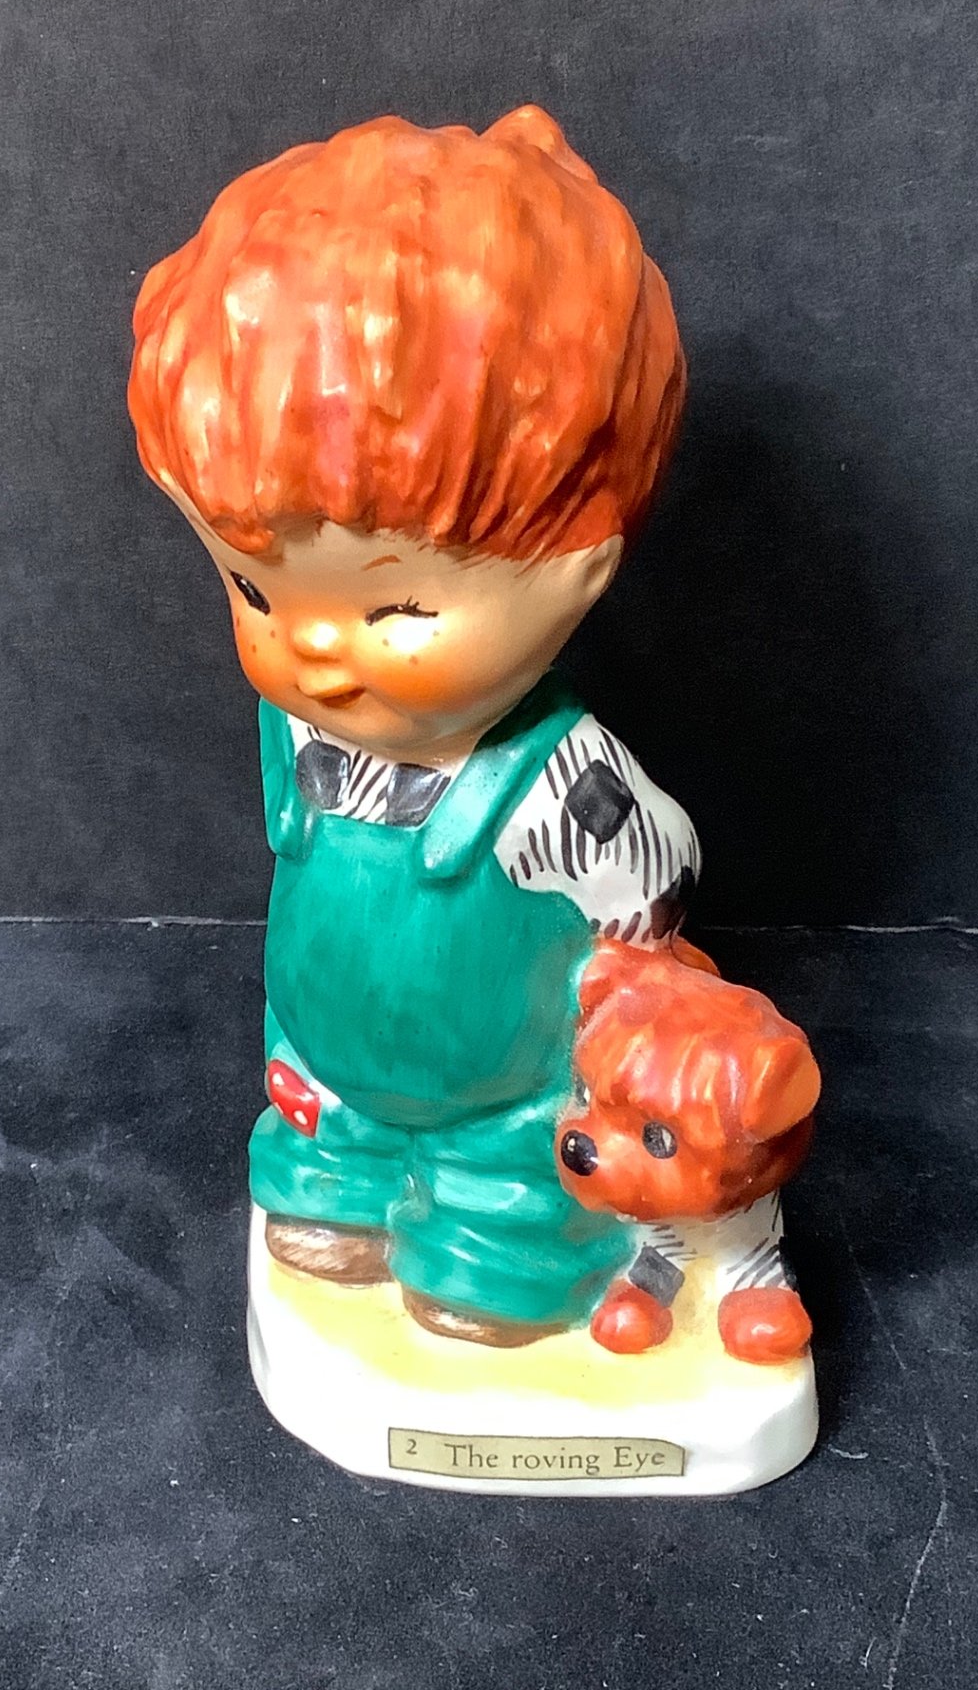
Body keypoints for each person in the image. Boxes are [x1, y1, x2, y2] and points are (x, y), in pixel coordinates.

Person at [127, 104, 697, 1344]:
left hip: (510, 1094)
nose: (312, 649)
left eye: (394, 608)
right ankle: (346, 1182)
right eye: (255, 591)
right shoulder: (298, 734)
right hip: (321, 1064)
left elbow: (648, 889)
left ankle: (498, 1245)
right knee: (321, 1173)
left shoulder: (559, 781)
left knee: (506, 1210)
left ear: (580, 570)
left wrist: (638, 1013)